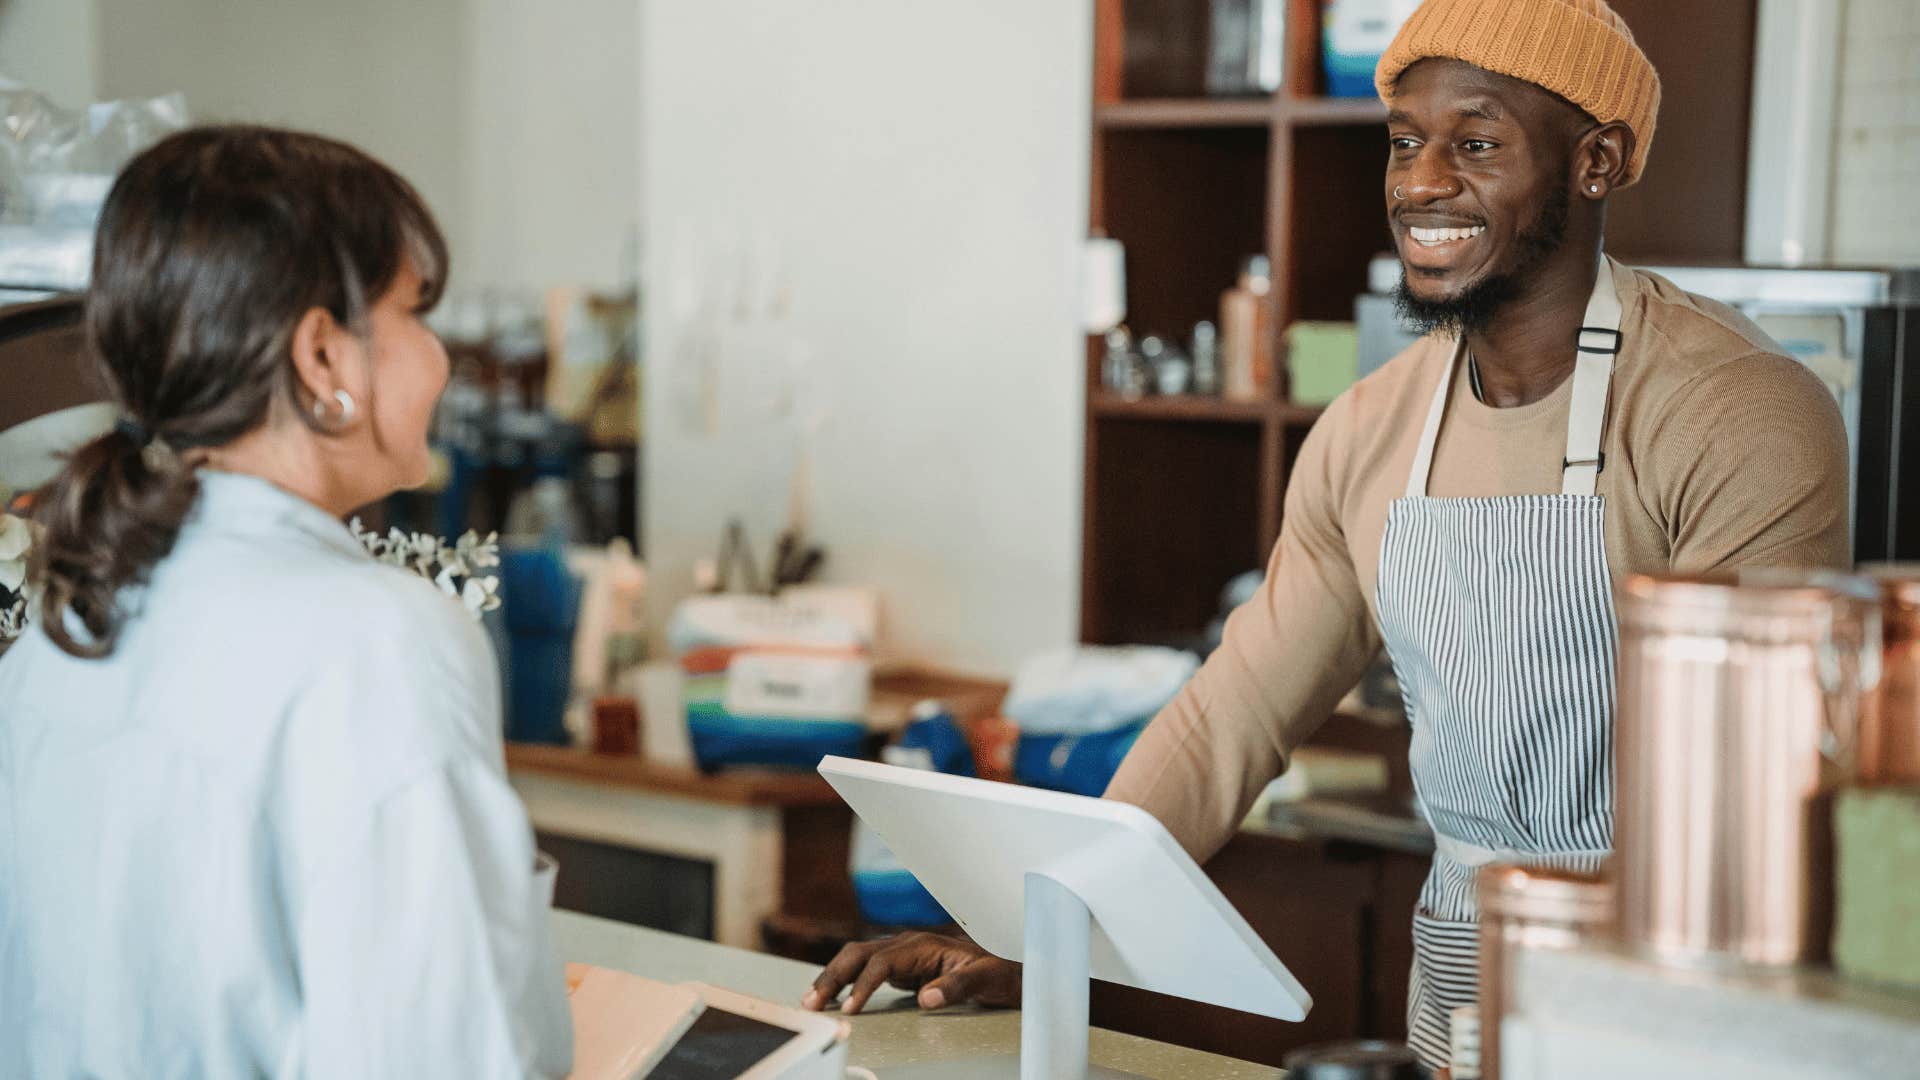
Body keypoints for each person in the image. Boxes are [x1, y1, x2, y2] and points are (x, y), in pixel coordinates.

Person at [803, 0, 1851, 1072]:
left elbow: (1759, 795)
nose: (1420, 182)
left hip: (1686, 1002)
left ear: (1597, 161)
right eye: (1404, 141)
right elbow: (1233, 716)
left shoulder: (1737, 414)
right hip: (1464, 984)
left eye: (1476, 141)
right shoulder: (1371, 428)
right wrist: (1037, 936)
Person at [0, 127, 572, 1078]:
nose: (440, 358)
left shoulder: (62, 633)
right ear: (322, 357)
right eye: (413, 313)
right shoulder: (374, 637)